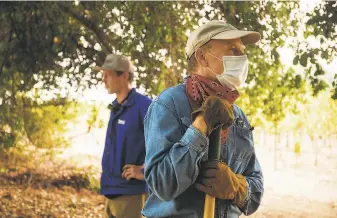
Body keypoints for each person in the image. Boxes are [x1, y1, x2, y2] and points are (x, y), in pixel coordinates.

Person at [142, 21, 264, 218]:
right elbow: (162, 185)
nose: (242, 58)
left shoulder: (239, 116)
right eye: (233, 50)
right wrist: (200, 126)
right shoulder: (168, 104)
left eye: (242, 52)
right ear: (202, 57)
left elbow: (256, 194)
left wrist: (236, 186)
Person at [93, 54, 152, 218]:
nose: (103, 80)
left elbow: (163, 143)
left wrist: (145, 171)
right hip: (111, 193)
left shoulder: (144, 106)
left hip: (131, 195)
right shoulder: (116, 107)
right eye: (102, 75)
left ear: (124, 75)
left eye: (108, 74)